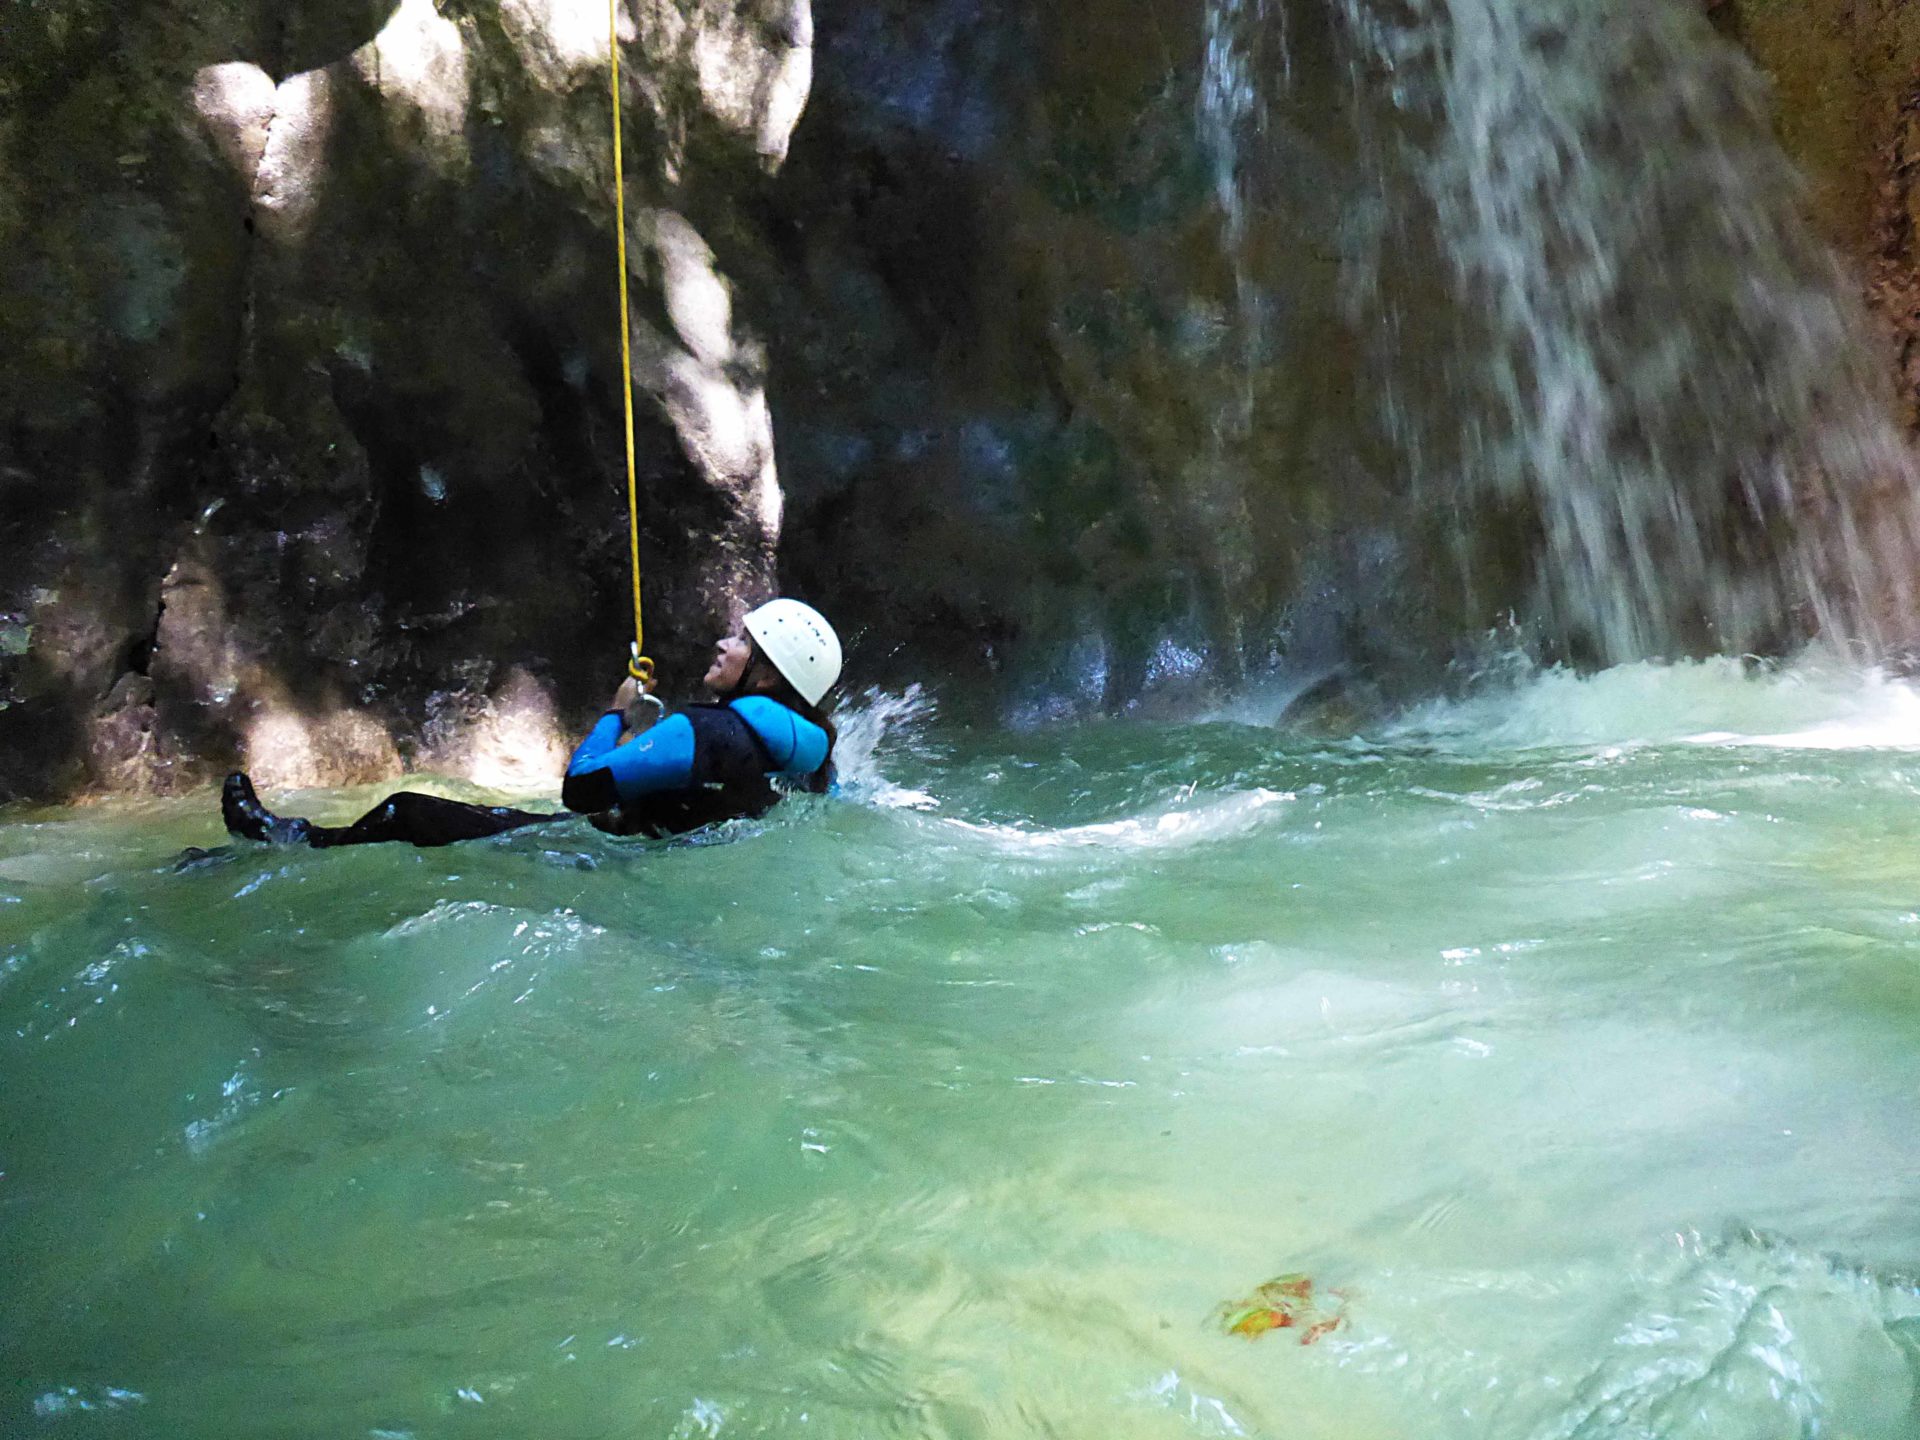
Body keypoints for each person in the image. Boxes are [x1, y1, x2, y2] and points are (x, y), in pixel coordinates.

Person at [220, 599, 842, 848]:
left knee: (408, 811)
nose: (723, 643)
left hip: (605, 855)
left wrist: (615, 714)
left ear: (763, 677)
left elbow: (581, 788)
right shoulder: (814, 755)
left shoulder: (702, 732)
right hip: (658, 857)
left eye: (741, 640)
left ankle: (286, 841)